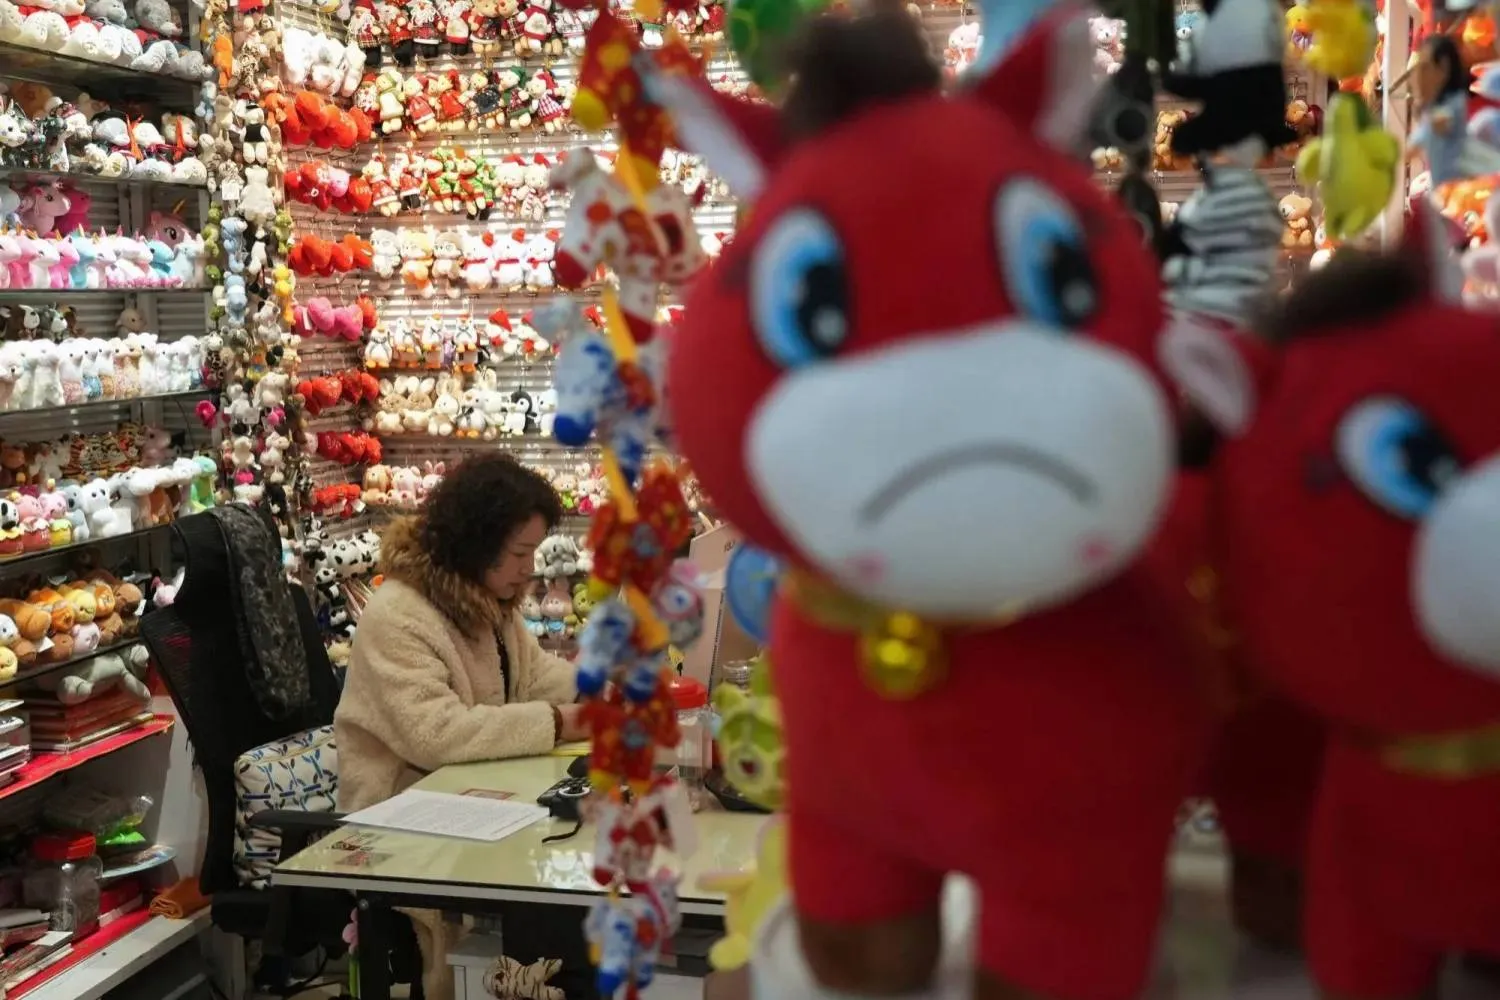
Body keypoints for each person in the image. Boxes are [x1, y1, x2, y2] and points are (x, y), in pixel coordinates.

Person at [336, 453, 589, 998]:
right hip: (398, 813)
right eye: (521, 553)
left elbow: (532, 673)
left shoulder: (486, 598)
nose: (530, 568)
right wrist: (558, 722)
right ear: (477, 542)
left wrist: (598, 689)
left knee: (565, 864)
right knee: (547, 889)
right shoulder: (399, 614)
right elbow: (438, 733)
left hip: (467, 799)